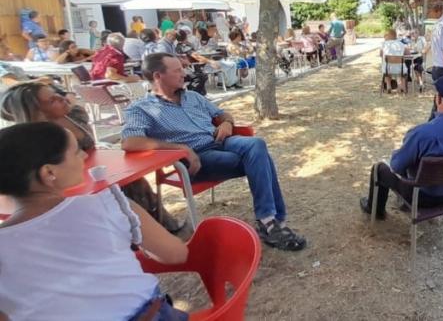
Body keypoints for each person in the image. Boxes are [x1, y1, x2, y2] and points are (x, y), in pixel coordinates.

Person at [0, 122, 190, 321]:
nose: (84, 156)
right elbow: (175, 254)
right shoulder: (108, 204)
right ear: (48, 173)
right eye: (75, 152)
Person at [122, 53, 307, 251]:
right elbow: (130, 142)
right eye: (177, 70)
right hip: (197, 157)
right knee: (260, 159)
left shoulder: (192, 97)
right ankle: (271, 222)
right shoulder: (142, 109)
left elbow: (222, 113)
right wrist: (181, 148)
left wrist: (227, 123)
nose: (183, 73)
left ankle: (269, 220)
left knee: (257, 145)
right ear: (158, 76)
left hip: (220, 141)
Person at [0, 82, 184, 233]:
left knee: (135, 182)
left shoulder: (74, 115)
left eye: (57, 93)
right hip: (65, 182)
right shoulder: (33, 140)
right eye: (52, 100)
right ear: (37, 112)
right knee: (108, 194)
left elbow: (88, 147)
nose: (61, 98)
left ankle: (157, 226)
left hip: (93, 168)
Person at [359, 74, 443, 219]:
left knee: (379, 169)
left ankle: (375, 211)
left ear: (437, 99)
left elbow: (396, 166)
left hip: (422, 197)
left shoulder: (423, 134)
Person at [379, 29, 408, 93]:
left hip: (388, 69)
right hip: (400, 69)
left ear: (389, 36)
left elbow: (381, 54)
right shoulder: (401, 44)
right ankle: (402, 87)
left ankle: (389, 86)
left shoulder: (384, 44)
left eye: (386, 35)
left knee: (386, 68)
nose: (385, 37)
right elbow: (408, 53)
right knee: (402, 71)